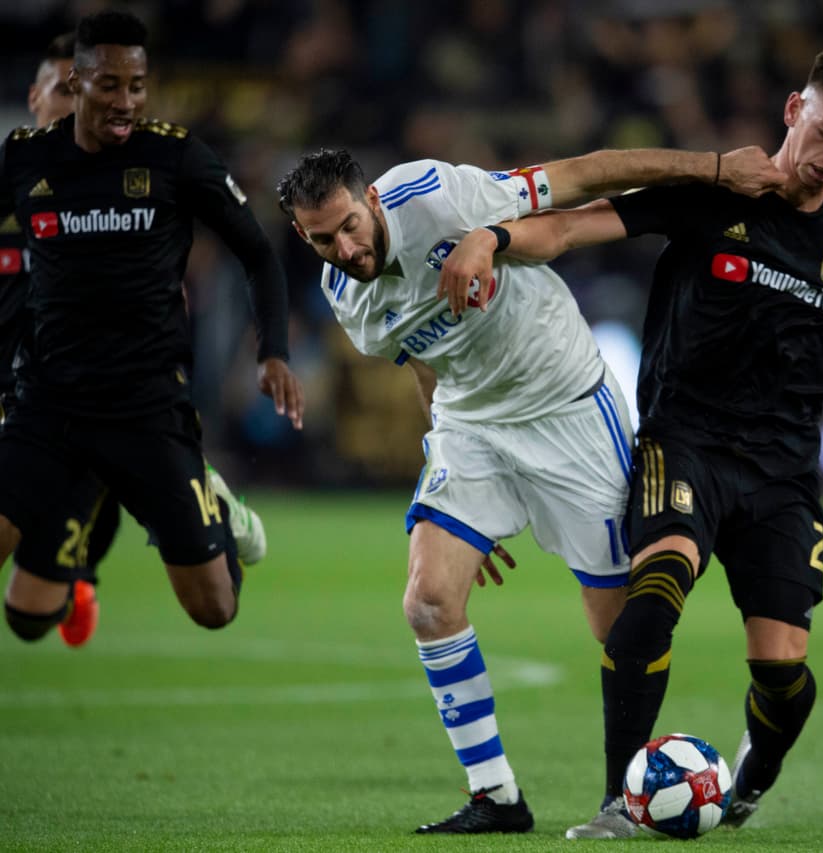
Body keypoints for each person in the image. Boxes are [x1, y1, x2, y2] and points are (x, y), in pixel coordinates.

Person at [440, 44, 823, 838]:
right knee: (651, 600)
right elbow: (567, 228)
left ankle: (751, 779)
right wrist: (492, 237)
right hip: (684, 443)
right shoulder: (711, 193)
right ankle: (617, 803)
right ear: (794, 110)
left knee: (782, 674)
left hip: (782, 477)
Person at [277, 143, 782, 834]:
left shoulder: (437, 196)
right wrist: (459, 503)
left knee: (621, 627)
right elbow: (426, 367)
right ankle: (496, 796)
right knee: (429, 602)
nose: (344, 249)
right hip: (471, 427)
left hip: (567, 408)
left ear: (371, 201)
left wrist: (717, 168)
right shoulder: (346, 297)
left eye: (349, 227)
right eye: (321, 240)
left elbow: (584, 175)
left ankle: (628, 795)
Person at [0, 11, 303, 644]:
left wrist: (272, 350)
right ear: (77, 83)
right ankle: (79, 540)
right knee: (26, 619)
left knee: (214, 609)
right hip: (48, 408)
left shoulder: (174, 156)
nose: (126, 101)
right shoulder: (26, 160)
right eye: (109, 84)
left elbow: (257, 252)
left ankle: (213, 509)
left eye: (137, 86)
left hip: (147, 409)